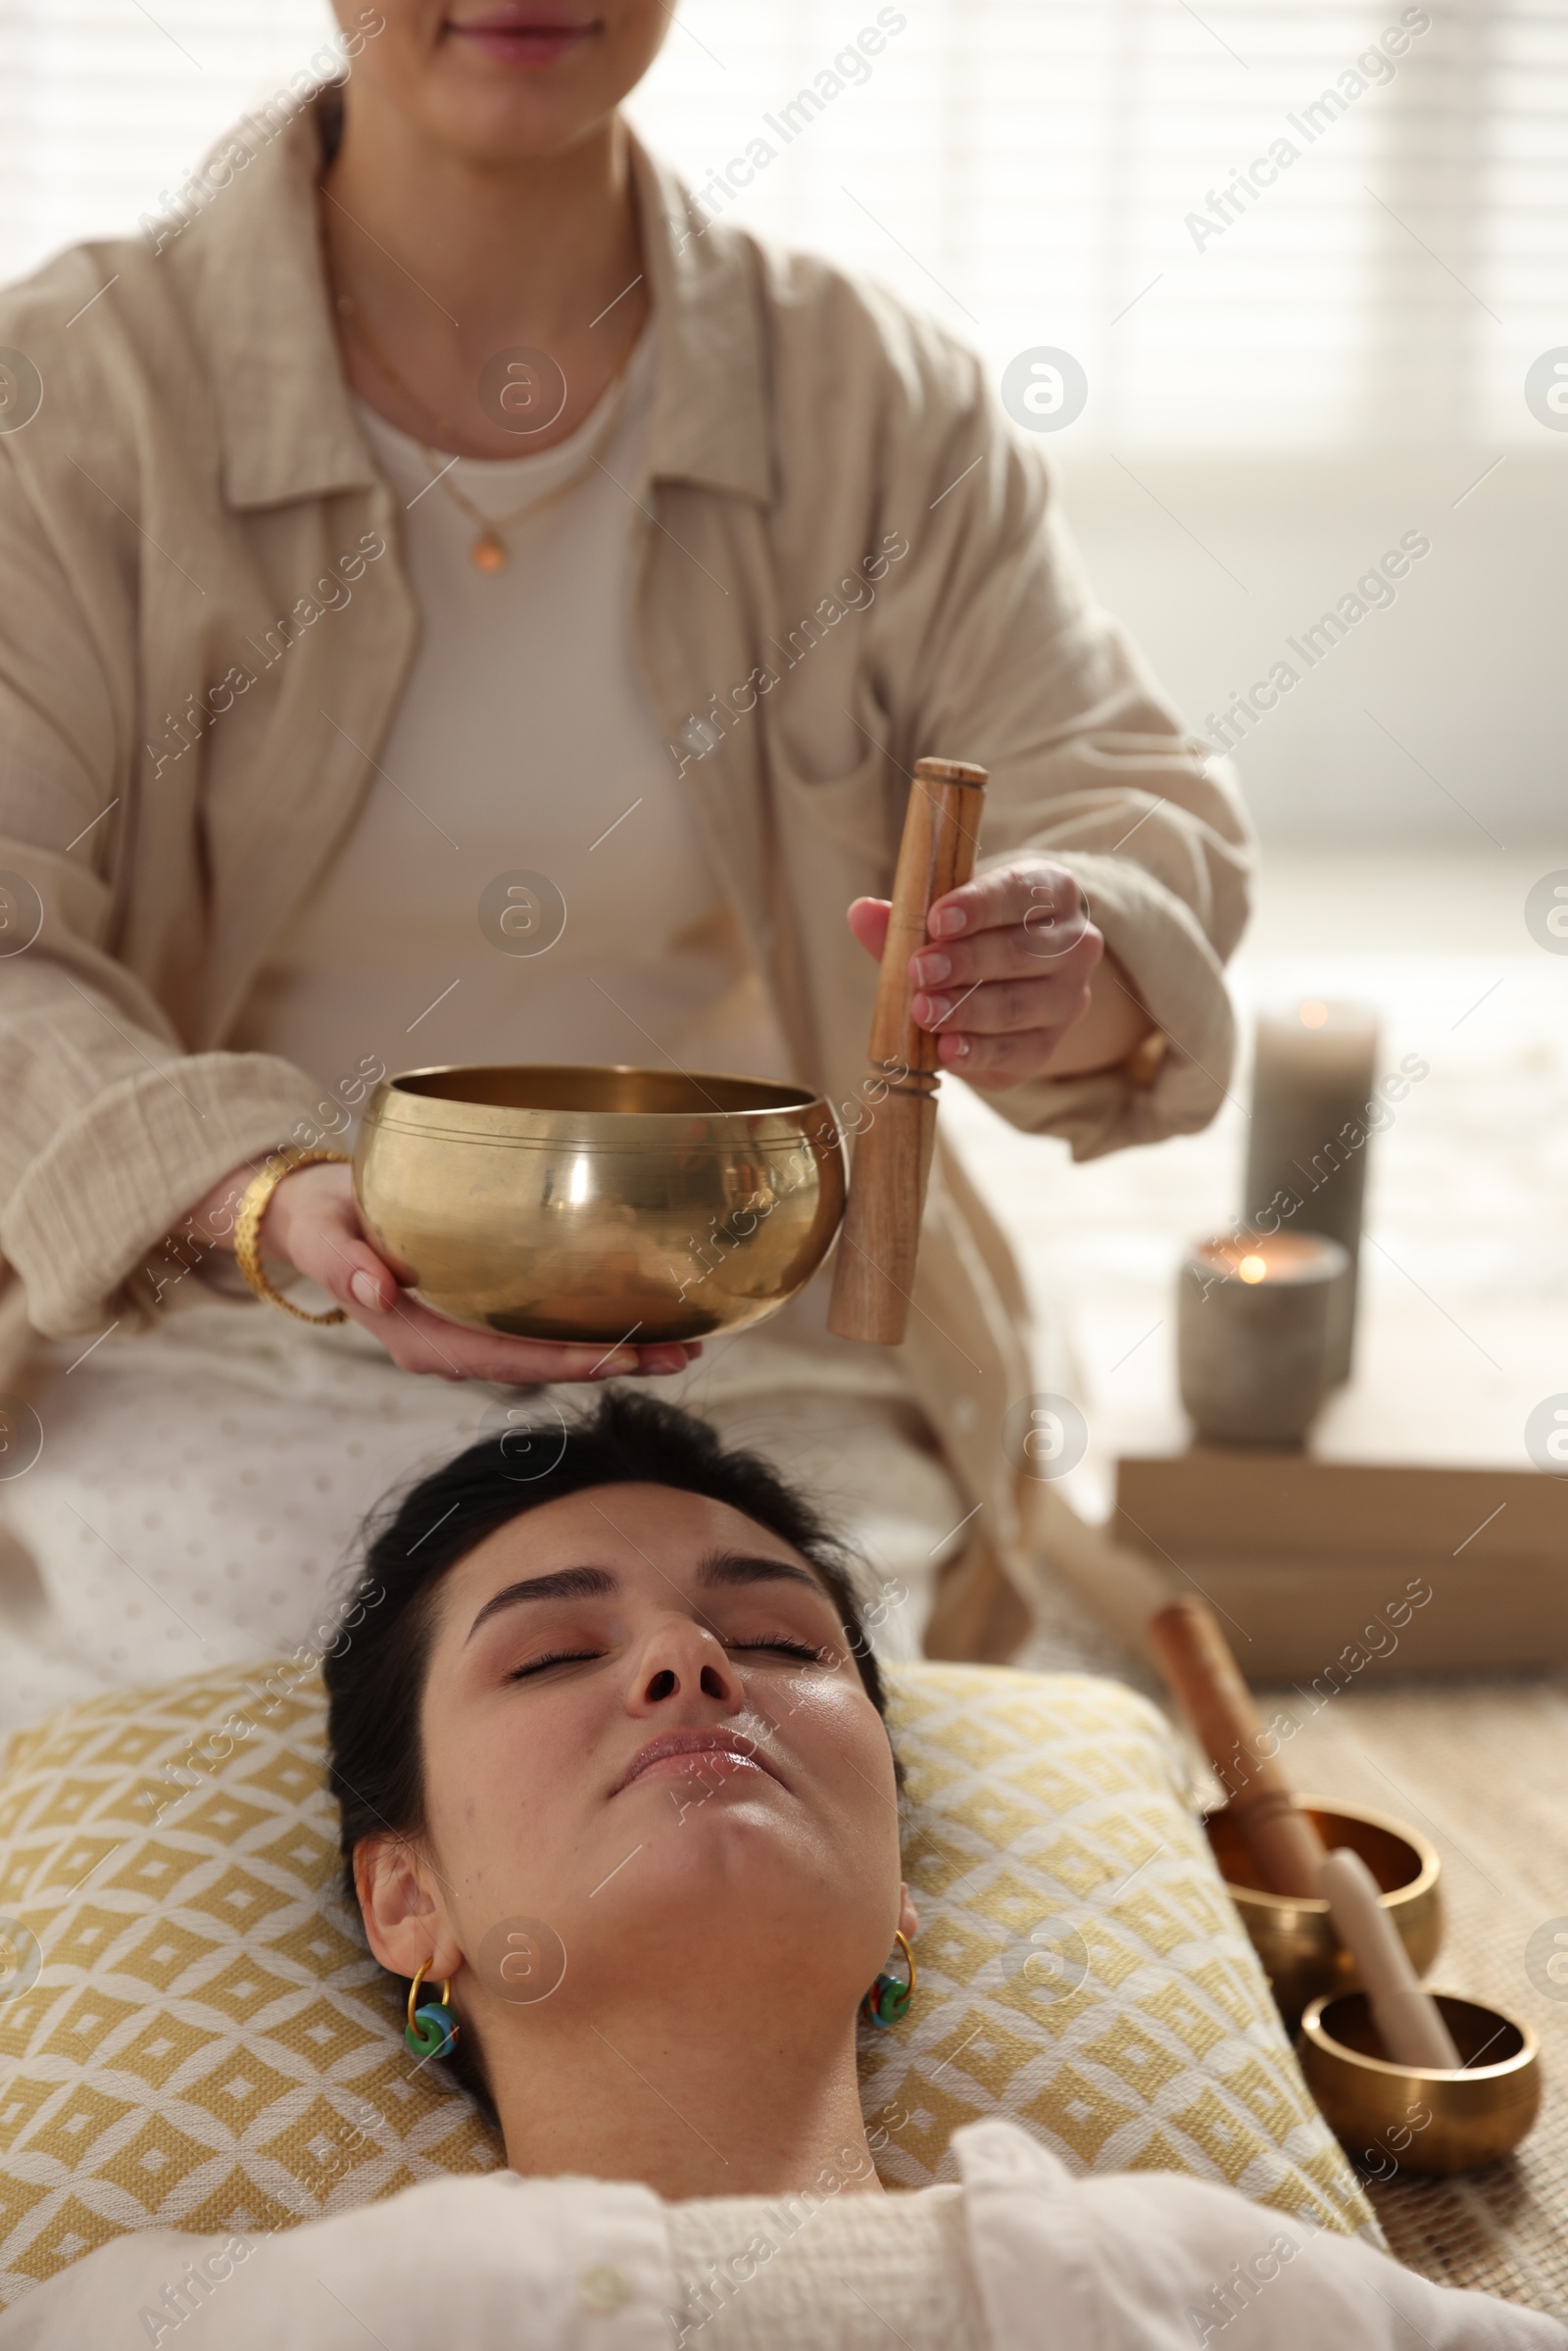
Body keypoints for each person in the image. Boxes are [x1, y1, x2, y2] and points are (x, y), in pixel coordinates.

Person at [0, 0, 1252, 1734]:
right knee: (255, 1778)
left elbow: (1118, 794)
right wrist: (263, 1203)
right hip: (226, 1336)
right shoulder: (67, 393)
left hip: (751, 1348)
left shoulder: (871, 399)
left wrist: (1071, 952)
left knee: (752, 1775)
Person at [1, 1394, 1557, 2351]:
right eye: (552, 1653)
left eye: (773, 1640)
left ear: (899, 1897)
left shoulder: (1213, 2283)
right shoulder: (209, 2319)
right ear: (406, 1900)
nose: (687, 1661)